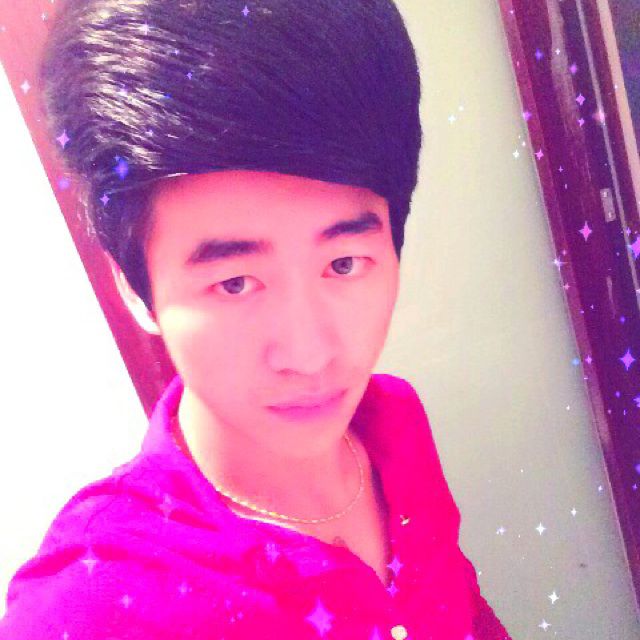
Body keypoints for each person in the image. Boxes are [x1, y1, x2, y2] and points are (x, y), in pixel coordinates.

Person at [0, 1, 513, 638]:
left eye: (344, 263)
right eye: (235, 282)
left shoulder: (393, 424)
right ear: (135, 287)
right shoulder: (92, 605)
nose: (309, 354)